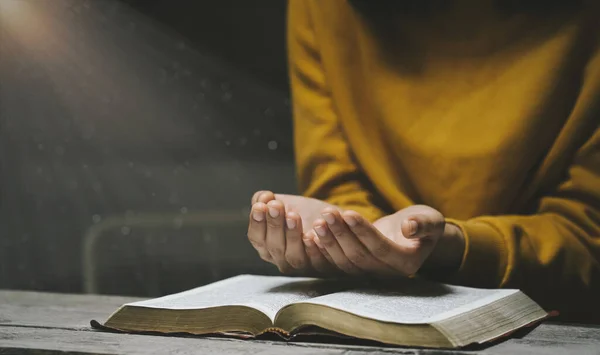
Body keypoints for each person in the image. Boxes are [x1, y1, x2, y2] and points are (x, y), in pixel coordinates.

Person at [247, 0, 600, 323]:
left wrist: (454, 246)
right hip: (375, 312)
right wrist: (337, 230)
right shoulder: (323, 7)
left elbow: (588, 238)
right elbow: (339, 185)